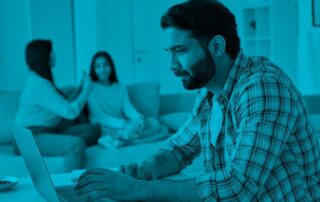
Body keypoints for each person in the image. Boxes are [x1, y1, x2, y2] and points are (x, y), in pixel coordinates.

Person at [76, 1, 320, 201]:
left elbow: (238, 186)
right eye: (168, 52)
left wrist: (137, 190)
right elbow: (179, 148)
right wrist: (145, 171)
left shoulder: (263, 87)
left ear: (216, 46)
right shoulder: (208, 93)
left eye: (180, 51)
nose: (172, 65)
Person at [14, 39, 101, 171]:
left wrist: (80, 87)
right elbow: (70, 112)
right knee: (77, 144)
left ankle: (62, 146)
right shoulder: (39, 84)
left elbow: (62, 105)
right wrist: (87, 90)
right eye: (51, 52)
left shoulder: (41, 79)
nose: (54, 54)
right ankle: (68, 184)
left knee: (93, 130)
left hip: (50, 129)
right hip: (28, 138)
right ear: (44, 57)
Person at [86, 51, 165, 148]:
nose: (102, 69)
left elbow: (128, 109)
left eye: (106, 65)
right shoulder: (91, 88)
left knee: (156, 124)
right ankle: (115, 138)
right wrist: (124, 124)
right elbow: (99, 116)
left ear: (111, 67)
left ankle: (117, 141)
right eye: (98, 66)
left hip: (123, 125)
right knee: (158, 131)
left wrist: (138, 118)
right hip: (103, 125)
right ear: (93, 69)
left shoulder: (120, 87)